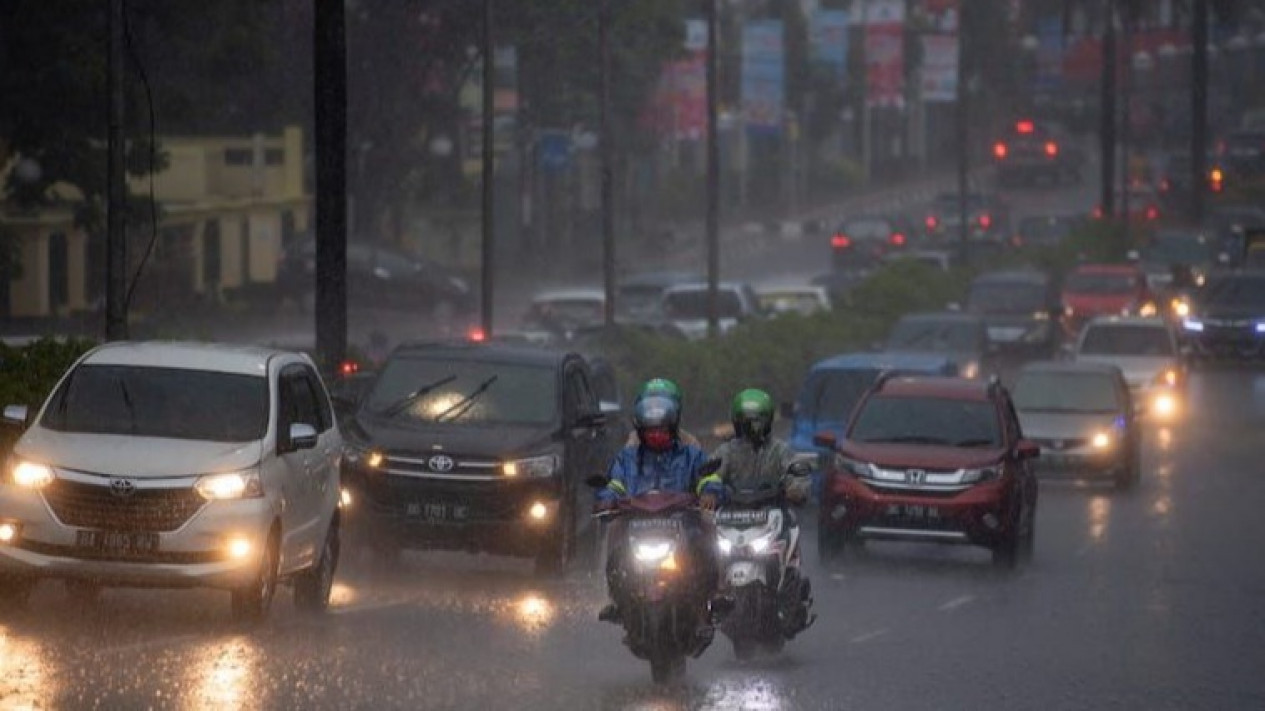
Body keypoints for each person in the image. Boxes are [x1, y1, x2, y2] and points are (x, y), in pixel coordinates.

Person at [597, 393, 723, 624]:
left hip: (683, 521)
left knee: (707, 530)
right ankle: (616, 598)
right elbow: (615, 483)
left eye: (662, 430)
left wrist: (709, 493)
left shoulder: (690, 454)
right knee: (615, 535)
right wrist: (607, 499)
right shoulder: (627, 458)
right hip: (636, 522)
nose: (656, 436)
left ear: (673, 429)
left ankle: (716, 592)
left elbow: (708, 477)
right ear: (640, 431)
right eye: (650, 431)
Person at [703, 388, 808, 508]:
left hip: (775, 513)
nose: (751, 429)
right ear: (737, 423)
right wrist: (710, 491)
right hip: (731, 515)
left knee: (792, 525)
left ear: (768, 422)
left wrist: (796, 489)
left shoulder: (780, 450)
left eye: (756, 423)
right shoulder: (727, 451)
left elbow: (796, 474)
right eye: (745, 423)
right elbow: (710, 474)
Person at [623, 378, 701, 448]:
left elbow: (701, 462)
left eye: (660, 404)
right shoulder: (635, 441)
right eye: (651, 405)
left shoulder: (688, 442)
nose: (655, 410)